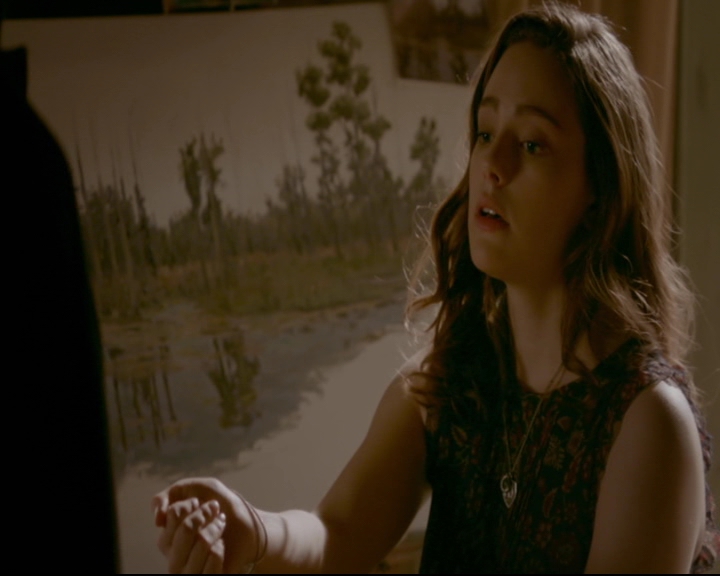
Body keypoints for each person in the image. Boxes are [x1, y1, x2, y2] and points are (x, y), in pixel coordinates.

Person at [152, 3, 720, 573]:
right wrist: (253, 530)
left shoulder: (647, 422)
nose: (491, 164)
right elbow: (335, 533)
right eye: (486, 132)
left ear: (600, 189)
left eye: (532, 143)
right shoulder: (450, 384)